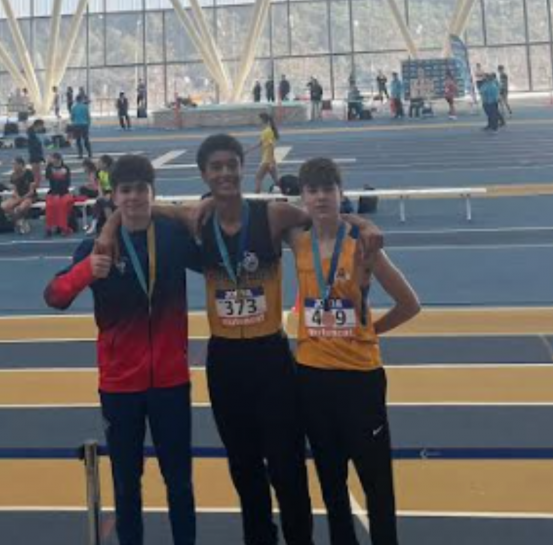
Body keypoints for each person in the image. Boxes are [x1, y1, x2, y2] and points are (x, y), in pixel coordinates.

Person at [96, 134, 383, 545]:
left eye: (231, 164)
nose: (225, 173)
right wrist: (109, 227)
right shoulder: (197, 220)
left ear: (242, 168)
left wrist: (364, 223)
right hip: (226, 361)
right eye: (216, 167)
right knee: (244, 469)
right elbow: (142, 206)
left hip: (270, 359)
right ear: (204, 174)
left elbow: (324, 215)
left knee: (286, 467)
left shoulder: (273, 215)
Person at [44, 154, 199, 545]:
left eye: (141, 190)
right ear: (113, 196)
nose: (133, 198)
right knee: (127, 485)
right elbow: (54, 296)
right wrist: (85, 272)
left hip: (171, 382)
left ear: (152, 192)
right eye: (125, 191)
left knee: (180, 482)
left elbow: (212, 248)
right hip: (120, 386)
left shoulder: (171, 237)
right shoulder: (96, 248)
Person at [288, 157, 420, 545]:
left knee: (376, 482)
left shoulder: (364, 245)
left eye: (328, 189)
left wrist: (369, 332)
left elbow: (409, 304)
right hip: (312, 378)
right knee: (331, 482)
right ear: (303, 197)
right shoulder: (297, 241)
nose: (320, 197)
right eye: (312, 190)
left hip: (360, 380)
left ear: (340, 193)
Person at [2, 156, 37, 235]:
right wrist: (17, 197)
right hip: (18, 196)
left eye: (15, 164)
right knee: (4, 206)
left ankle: (20, 221)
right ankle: (19, 220)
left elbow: (31, 191)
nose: (13, 166)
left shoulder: (29, 173)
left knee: (22, 207)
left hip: (28, 196)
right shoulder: (13, 175)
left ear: (21, 165)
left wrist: (23, 198)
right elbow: (14, 190)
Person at [248, 113, 280, 193]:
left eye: (258, 119)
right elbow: (261, 143)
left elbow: (271, 146)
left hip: (267, 160)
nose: (257, 121)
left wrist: (271, 161)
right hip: (270, 160)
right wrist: (248, 150)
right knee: (277, 181)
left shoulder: (267, 131)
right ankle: (286, 192)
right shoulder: (267, 131)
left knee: (258, 178)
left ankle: (257, 196)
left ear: (262, 120)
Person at [44, 152, 73, 237]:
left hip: (64, 192)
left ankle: (63, 227)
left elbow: (66, 183)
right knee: (50, 206)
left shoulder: (65, 169)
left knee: (62, 205)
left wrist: (59, 194)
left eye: (52, 158)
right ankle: (49, 227)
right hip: (53, 192)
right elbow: (47, 177)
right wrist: (48, 165)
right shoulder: (50, 168)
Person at [27, 119, 46, 188]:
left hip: (36, 154)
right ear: (38, 125)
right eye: (42, 126)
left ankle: (36, 185)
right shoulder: (31, 134)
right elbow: (34, 146)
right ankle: (35, 186)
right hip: (35, 155)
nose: (42, 128)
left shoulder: (33, 133)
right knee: (36, 173)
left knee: (37, 173)